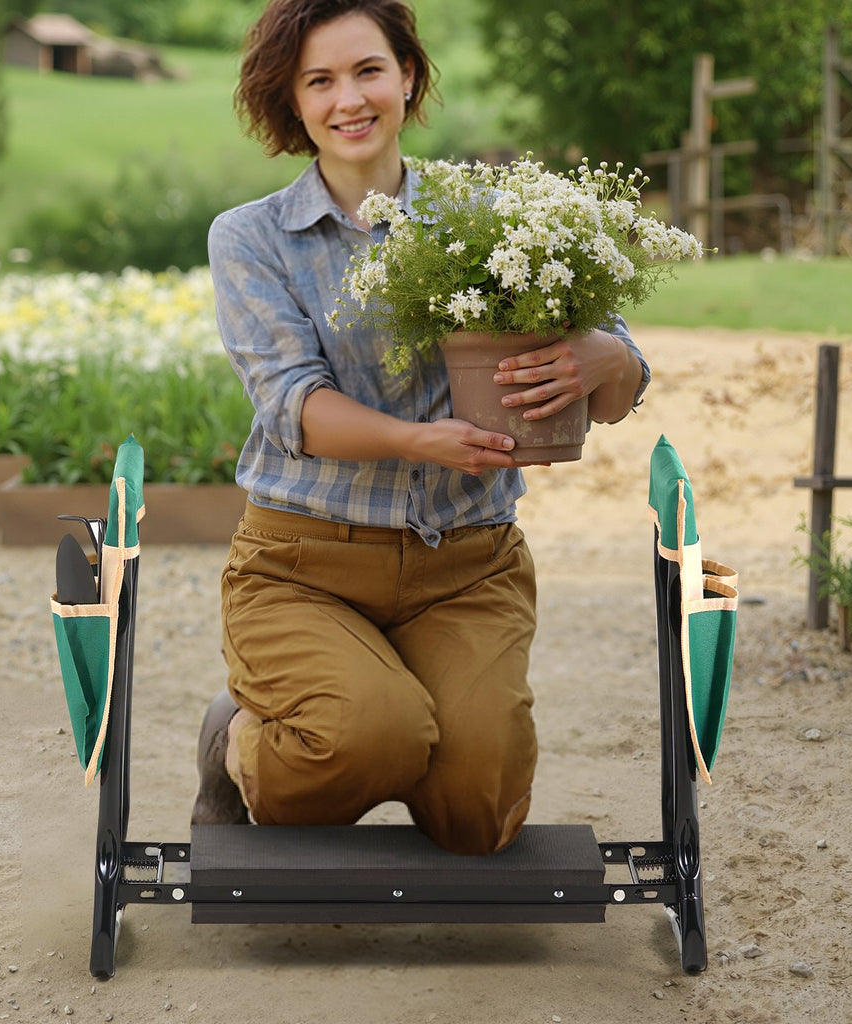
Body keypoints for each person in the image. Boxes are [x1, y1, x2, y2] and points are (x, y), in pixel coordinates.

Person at [192, 0, 650, 856]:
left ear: (406, 74)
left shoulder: (487, 207)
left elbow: (621, 375)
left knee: (478, 815)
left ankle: (399, 706)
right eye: (318, 81)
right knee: (370, 739)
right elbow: (293, 403)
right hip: (305, 565)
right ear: (291, 101)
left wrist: (600, 359)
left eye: (367, 70)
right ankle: (238, 744)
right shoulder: (252, 237)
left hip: (466, 564)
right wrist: (419, 440)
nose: (348, 99)